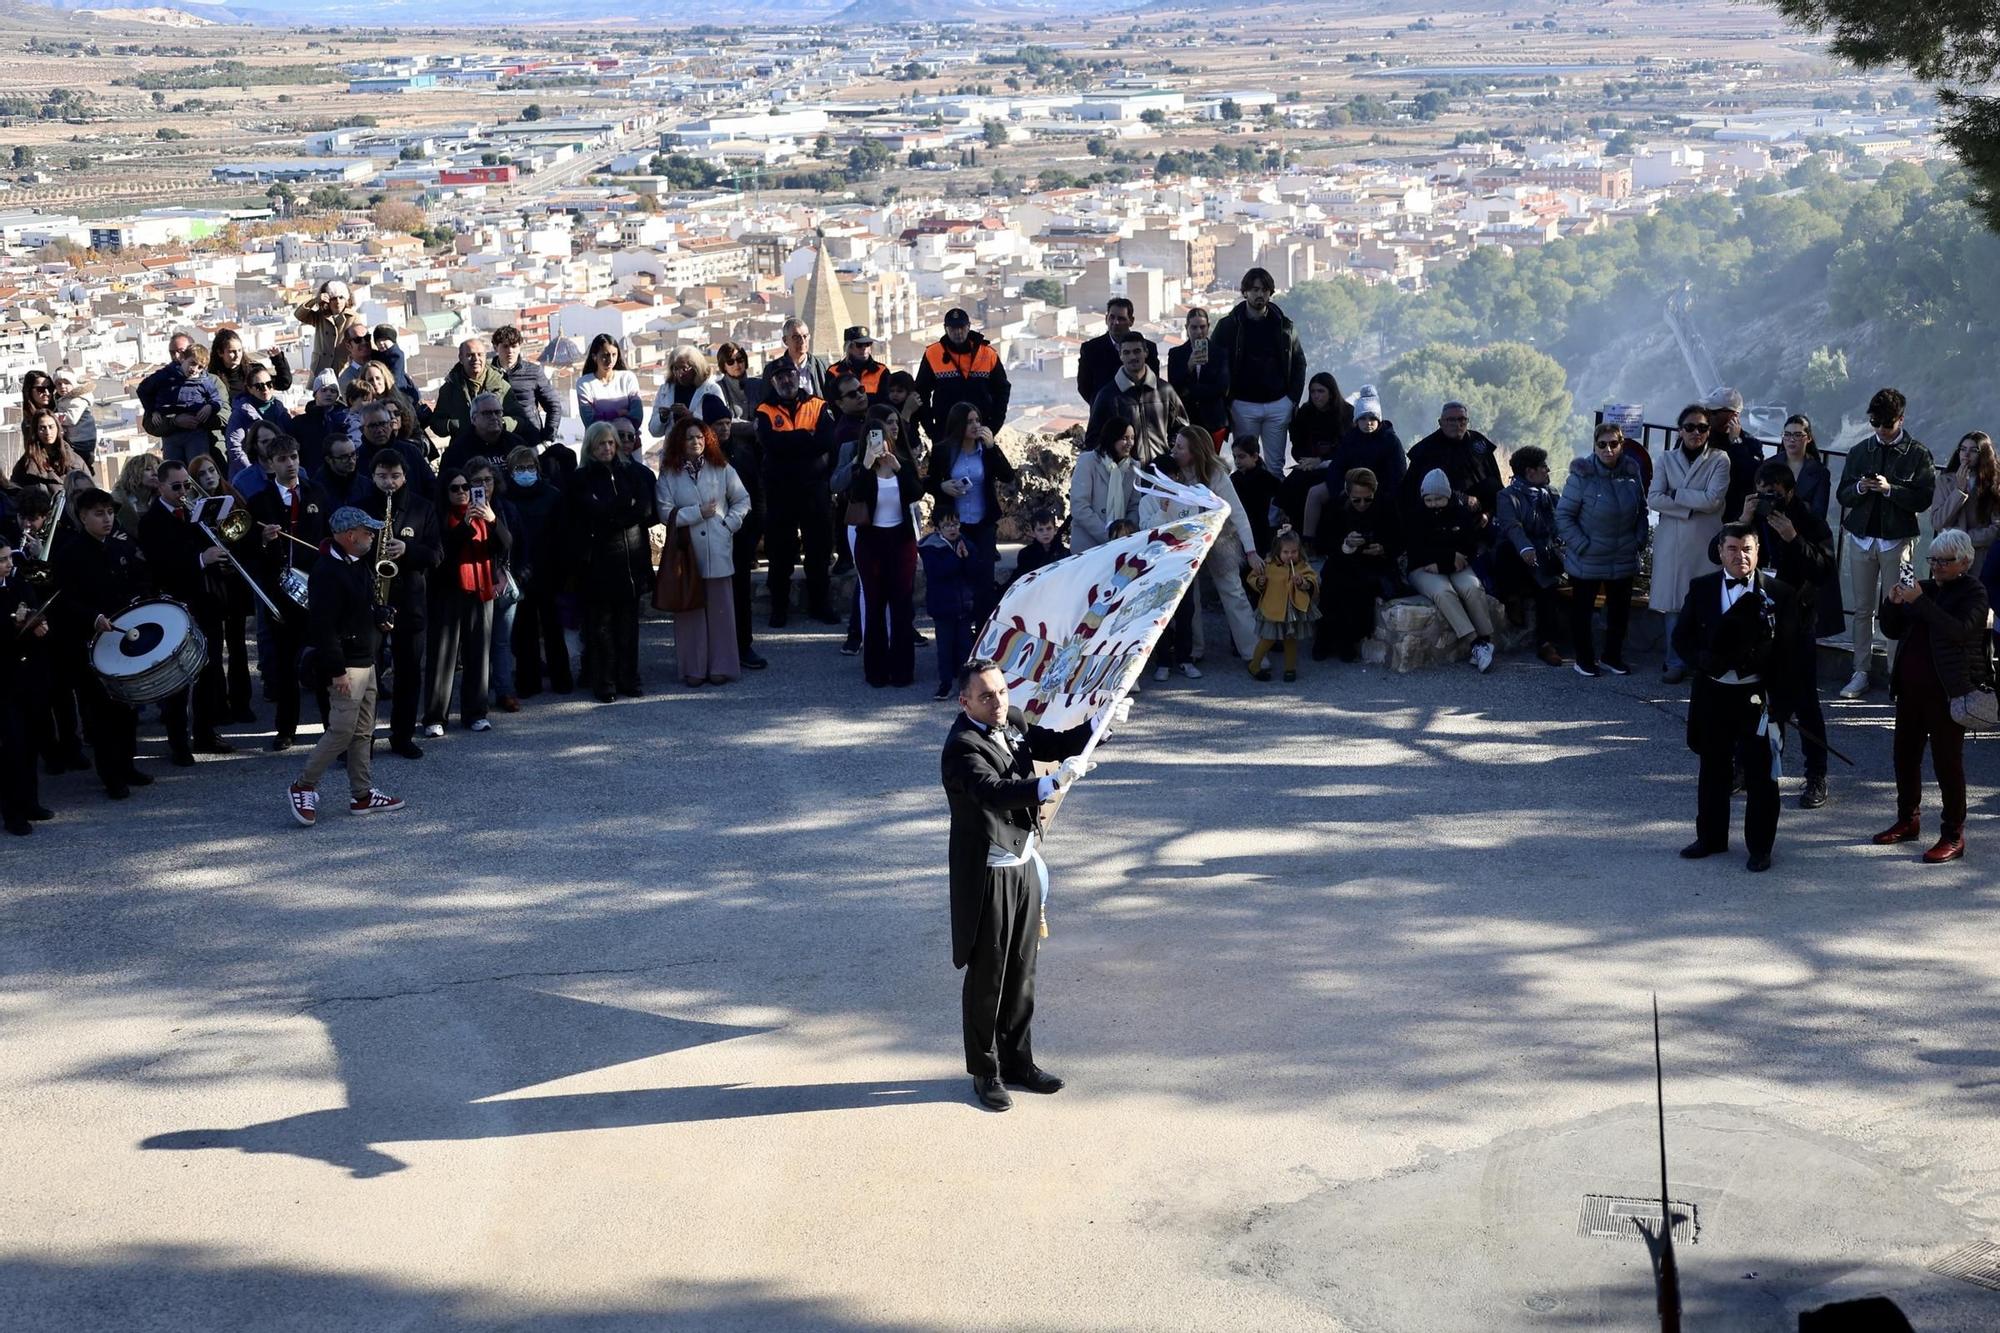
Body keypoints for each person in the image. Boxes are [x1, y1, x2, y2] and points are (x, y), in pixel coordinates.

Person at [940, 657, 1099, 1112]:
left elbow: (1056, 741)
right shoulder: (961, 747)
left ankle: (1018, 1061)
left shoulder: (1010, 719)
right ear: (965, 701)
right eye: (986, 696)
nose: (998, 702)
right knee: (989, 973)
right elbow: (992, 791)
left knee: (1023, 970)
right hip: (989, 873)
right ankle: (985, 1070)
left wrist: (1099, 726)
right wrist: (1046, 784)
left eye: (1002, 692)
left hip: (1024, 863)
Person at [1672, 523, 1797, 873]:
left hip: (1757, 696)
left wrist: (1783, 705)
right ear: (1720, 551)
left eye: (1746, 549)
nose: (1739, 556)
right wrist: (1701, 661)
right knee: (1713, 767)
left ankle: (1760, 847)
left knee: (1762, 774)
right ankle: (1711, 838)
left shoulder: (1780, 593)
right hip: (1713, 693)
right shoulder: (1701, 588)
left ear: (1757, 552)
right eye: (1732, 548)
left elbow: (1791, 655)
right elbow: (1681, 639)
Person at [1874, 528, 1991, 864]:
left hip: (1947, 694)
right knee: (1904, 757)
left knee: (1947, 764)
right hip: (1910, 691)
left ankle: (1953, 833)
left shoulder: (1973, 592)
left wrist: (1920, 602)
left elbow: (1960, 631)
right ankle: (1907, 819)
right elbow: (1892, 629)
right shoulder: (1922, 589)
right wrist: (1893, 604)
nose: (1937, 566)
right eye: (1933, 560)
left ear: (1964, 562)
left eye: (1945, 561)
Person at [288, 506, 404, 826]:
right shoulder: (327, 572)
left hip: (365, 661)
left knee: (363, 731)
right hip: (346, 668)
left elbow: (361, 607)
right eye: (368, 532)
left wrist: (380, 616)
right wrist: (337, 671)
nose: (372, 536)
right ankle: (303, 785)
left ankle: (362, 794)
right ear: (351, 536)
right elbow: (323, 628)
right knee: (341, 731)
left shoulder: (356, 563)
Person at [1736, 459, 1839, 809]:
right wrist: (1743, 521)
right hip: (1754, 621)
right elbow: (1716, 553)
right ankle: (1745, 767)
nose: (1769, 501)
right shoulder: (1751, 519)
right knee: (1752, 698)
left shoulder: (1809, 521)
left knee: (1805, 702)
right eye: (1763, 494)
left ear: (1791, 493)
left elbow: (1825, 570)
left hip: (1795, 621)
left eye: (1776, 495)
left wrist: (1793, 538)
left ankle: (1816, 774)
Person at [51, 488, 153, 799]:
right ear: (83, 517)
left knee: (127, 707)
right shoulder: (69, 553)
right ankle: (111, 775)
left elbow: (139, 579)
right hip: (89, 642)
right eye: (99, 513)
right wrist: (92, 617)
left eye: (109, 512)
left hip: (123, 636)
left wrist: (140, 601)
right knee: (101, 711)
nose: (107, 519)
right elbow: (63, 599)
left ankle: (127, 765)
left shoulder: (120, 546)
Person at [1836, 387, 1936, 699]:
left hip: (1898, 541)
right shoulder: (1859, 451)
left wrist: (1890, 489)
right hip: (1861, 538)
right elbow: (1842, 494)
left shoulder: (1918, 454)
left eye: (1886, 424)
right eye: (1875, 423)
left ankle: (1898, 673)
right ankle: (1860, 671)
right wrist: (1861, 488)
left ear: (1901, 420)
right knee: (1862, 608)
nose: (1880, 429)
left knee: (1898, 606)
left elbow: (1924, 498)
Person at [136, 459, 233, 764]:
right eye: (176, 487)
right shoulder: (150, 521)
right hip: (176, 604)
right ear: (160, 486)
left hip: (207, 600)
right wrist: (201, 559)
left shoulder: (195, 511)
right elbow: (162, 565)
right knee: (178, 678)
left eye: (186, 486)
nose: (183, 492)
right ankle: (178, 742)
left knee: (210, 668)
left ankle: (205, 732)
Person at [247, 434, 330, 750]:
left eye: (294, 457)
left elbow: (328, 536)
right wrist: (263, 541)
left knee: (323, 660)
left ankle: (330, 726)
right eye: (282, 459)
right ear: (270, 463)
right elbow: (247, 548)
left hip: (316, 589)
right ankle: (285, 729)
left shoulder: (315, 492)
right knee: (284, 664)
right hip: (279, 594)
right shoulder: (259, 501)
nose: (290, 464)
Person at [567, 422, 657, 702]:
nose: (607, 448)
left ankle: (628, 678)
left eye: (610, 443)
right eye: (601, 444)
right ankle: (604, 682)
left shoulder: (631, 472)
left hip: (631, 561)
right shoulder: (581, 478)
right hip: (599, 565)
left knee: (629, 626)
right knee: (601, 628)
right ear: (591, 447)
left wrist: (615, 514)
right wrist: (622, 507)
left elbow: (644, 509)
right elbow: (590, 511)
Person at [360, 450, 442, 758]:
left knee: (408, 673)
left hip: (410, 600)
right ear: (373, 477)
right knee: (366, 675)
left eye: (395, 476)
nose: (389, 483)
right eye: (382, 476)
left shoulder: (422, 508)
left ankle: (403, 735)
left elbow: (436, 555)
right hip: (370, 599)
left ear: (405, 477)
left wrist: (408, 549)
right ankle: (362, 739)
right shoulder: (362, 507)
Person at [657, 419, 750, 687]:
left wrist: (728, 524)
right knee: (690, 612)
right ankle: (693, 667)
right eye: (689, 438)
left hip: (717, 548)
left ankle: (722, 665)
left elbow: (742, 499)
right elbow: (665, 512)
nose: (695, 442)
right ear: (680, 442)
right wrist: (697, 513)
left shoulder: (722, 468)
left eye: (699, 437)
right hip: (687, 553)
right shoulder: (669, 474)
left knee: (721, 611)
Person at [423, 463, 509, 734]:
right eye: (455, 488)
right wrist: (465, 524)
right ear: (445, 492)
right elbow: (442, 551)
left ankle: (476, 713)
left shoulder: (487, 512)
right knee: (443, 656)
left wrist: (492, 520)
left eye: (466, 487)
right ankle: (435, 717)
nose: (462, 492)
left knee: (479, 654)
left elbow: (505, 543)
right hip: (447, 593)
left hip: (480, 592)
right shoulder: (438, 516)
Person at [1650, 404, 1733, 685]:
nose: (1696, 432)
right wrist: (1691, 503)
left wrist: (1676, 495)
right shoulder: (1665, 459)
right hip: (1672, 541)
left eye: (1702, 427)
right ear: (1680, 430)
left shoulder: (1720, 459)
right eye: (1690, 427)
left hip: (1704, 539)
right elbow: (1654, 498)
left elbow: (1713, 500)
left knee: (1705, 604)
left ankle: (1701, 661)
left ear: (1709, 431)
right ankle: (1674, 661)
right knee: (1674, 605)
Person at [1558, 421, 1649, 677]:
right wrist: (1582, 545)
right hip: (1588, 557)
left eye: (1613, 443)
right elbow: (1563, 516)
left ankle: (1612, 656)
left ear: (1621, 445)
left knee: (1619, 613)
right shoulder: (1581, 476)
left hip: (1623, 555)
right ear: (1595, 446)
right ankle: (1584, 659)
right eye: (1602, 444)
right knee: (1583, 612)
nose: (1608, 449)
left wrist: (1638, 540)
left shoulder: (1631, 473)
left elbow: (1642, 511)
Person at [841, 413, 922, 688]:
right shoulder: (861, 468)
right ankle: (875, 671)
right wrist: (866, 465)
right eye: (872, 438)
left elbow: (916, 492)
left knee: (901, 606)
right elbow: (855, 496)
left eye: (882, 437)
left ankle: (902, 671)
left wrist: (898, 467)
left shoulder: (902, 464)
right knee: (875, 607)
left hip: (900, 541)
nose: (878, 442)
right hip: (871, 542)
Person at [756, 358, 838, 627]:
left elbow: (826, 441)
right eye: (780, 377)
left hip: (814, 490)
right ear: (773, 382)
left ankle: (820, 605)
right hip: (780, 492)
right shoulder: (765, 410)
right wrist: (805, 437)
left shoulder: (818, 405)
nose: (786, 381)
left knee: (819, 550)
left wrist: (790, 444)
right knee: (780, 553)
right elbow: (770, 444)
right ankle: (779, 608)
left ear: (798, 376)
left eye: (789, 375)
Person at [1172, 424, 1263, 661]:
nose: (1174, 451)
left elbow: (1238, 514)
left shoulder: (1216, 475)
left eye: (1180, 447)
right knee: (1189, 596)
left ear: (1195, 451)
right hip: (1187, 541)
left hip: (1220, 538)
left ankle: (1253, 652)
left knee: (1234, 593)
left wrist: (1250, 551)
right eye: (1175, 445)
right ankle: (1193, 650)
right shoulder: (1173, 472)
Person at [927, 401, 1019, 628]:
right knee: (959, 578)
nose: (975, 425)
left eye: (977, 420)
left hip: (983, 523)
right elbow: (930, 481)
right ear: (958, 424)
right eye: (969, 421)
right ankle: (960, 632)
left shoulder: (985, 450)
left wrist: (992, 447)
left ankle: (982, 632)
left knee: (984, 579)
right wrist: (942, 486)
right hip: (956, 526)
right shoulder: (943, 450)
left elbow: (1007, 476)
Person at [1209, 267, 1308, 463]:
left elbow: (1299, 362)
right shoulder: (1228, 326)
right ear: (1245, 292)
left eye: (1264, 290)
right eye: (1255, 290)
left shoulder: (1284, 326)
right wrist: (1229, 400)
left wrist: (1291, 400)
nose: (1260, 294)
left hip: (1278, 404)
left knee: (1275, 465)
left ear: (1270, 293)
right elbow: (1214, 362)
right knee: (1246, 463)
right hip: (1243, 405)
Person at [187, 451, 256, 723]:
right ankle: (218, 704)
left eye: (212, 470)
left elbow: (246, 536)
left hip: (234, 580)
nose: (209, 477)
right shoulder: (192, 508)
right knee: (214, 647)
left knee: (237, 644)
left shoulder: (234, 499)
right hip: (210, 584)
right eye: (202, 474)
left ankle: (241, 702)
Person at [1405, 469, 1497, 673]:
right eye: (1429, 500)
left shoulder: (1461, 513)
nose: (1434, 504)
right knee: (1443, 592)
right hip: (1423, 568)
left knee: (1472, 587)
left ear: (1447, 496)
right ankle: (1475, 643)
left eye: (1439, 499)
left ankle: (1486, 639)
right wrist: (1447, 557)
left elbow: (1469, 546)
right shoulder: (1415, 515)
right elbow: (1417, 550)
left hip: (1457, 564)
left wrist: (1444, 562)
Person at [1308, 466, 1401, 662]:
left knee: (1360, 587)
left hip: (1374, 563)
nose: (1362, 504)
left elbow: (1399, 538)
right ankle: (1324, 638)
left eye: (1368, 499)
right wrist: (1345, 544)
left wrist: (1383, 548)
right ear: (1347, 492)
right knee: (1332, 582)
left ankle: (1347, 640)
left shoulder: (1386, 505)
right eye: (1356, 500)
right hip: (1342, 560)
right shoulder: (1336, 506)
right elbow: (1322, 541)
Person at [501, 444, 572, 697]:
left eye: (530, 467)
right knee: (524, 630)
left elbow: (562, 535)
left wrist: (562, 569)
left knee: (553, 628)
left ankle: (561, 679)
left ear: (538, 468)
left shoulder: (553, 496)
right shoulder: (505, 499)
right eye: (520, 468)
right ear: (511, 471)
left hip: (548, 569)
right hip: (519, 572)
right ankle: (528, 681)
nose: (525, 472)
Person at [1492, 447, 1566, 668]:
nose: (1548, 470)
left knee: (1548, 589)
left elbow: (1562, 522)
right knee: (1506, 552)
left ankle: (1546, 644)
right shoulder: (1507, 496)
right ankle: (1512, 597)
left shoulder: (1550, 494)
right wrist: (1525, 548)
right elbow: (1512, 526)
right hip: (1518, 555)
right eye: (1543, 466)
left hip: (1545, 552)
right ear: (1530, 471)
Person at [0, 537, 55, 834]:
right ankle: (13, 813)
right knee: (13, 746)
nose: (8, 564)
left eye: (9, 558)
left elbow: (37, 601)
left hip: (29, 675)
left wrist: (38, 621)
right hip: (4, 680)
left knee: (32, 740)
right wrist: (16, 625)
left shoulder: (17, 582)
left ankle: (31, 802)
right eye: (2, 560)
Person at [1085, 330, 1188, 464]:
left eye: (1137, 351)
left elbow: (1183, 429)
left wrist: (1169, 456)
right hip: (1126, 472)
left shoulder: (1165, 391)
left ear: (1146, 352)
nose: (1132, 357)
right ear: (1120, 356)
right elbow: (1093, 439)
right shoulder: (1108, 395)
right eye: (1127, 352)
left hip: (1161, 471)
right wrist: (1115, 461)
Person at [917, 307, 1011, 444]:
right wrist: (932, 430)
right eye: (953, 328)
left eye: (961, 327)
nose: (958, 332)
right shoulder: (933, 354)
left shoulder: (987, 353)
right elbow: (921, 392)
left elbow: (1002, 390)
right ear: (945, 329)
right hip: (946, 432)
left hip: (979, 432)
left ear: (968, 327)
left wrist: (993, 427)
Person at [1402, 400, 1502, 521]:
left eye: (1462, 419)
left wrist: (1488, 514)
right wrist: (1462, 498)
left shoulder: (1477, 442)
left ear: (1467, 421)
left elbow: (1495, 484)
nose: (1457, 424)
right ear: (1440, 422)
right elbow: (1420, 489)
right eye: (1451, 420)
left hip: (1481, 512)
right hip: (1439, 512)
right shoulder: (1426, 449)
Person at [920, 504, 979, 701]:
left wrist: (967, 558)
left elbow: (974, 571)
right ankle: (945, 684)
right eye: (947, 525)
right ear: (938, 528)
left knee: (965, 647)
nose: (952, 528)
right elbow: (937, 572)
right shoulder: (931, 548)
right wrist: (957, 558)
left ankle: (966, 684)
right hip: (943, 608)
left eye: (955, 524)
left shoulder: (966, 544)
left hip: (963, 607)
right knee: (945, 649)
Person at [1246, 528, 1320, 683]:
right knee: (1267, 639)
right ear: (1278, 551)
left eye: (1294, 552)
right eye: (1286, 552)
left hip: (1293, 611)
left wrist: (1303, 582)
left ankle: (1290, 669)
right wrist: (1259, 582)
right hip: (1273, 609)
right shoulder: (1269, 566)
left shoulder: (1302, 566)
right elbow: (1252, 577)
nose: (1290, 555)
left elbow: (1313, 580)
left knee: (1291, 639)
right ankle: (1254, 665)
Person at [1281, 372, 1353, 529]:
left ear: (1331, 393)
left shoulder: (1346, 412)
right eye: (1313, 391)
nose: (1316, 396)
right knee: (1291, 486)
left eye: (1321, 391)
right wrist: (1305, 460)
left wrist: (1321, 460)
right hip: (1309, 464)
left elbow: (1347, 446)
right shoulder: (1305, 412)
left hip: (1337, 466)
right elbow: (1297, 443)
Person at [1929, 431, 2000, 576]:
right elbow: (1937, 522)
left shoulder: (1994, 483)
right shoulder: (1945, 481)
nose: (1966, 455)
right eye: (1963, 449)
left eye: (1973, 450)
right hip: (1949, 557)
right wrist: (1959, 492)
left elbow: (1996, 529)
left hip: (1981, 557)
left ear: (1984, 454)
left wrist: (1964, 539)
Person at [1069, 409, 1138, 552]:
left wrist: (1125, 532)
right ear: (1112, 438)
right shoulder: (1088, 462)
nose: (1130, 443)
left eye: (1132, 438)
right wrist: (1109, 534)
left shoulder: (1133, 467)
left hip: (1122, 545)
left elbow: (1134, 505)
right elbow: (1080, 506)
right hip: (1088, 544)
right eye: (1124, 438)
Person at [1326, 388, 1407, 508]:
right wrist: (1342, 493)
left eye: (1372, 418)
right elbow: (1336, 468)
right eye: (1363, 418)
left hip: (1381, 497)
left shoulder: (1391, 441)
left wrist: (1381, 497)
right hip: (1351, 494)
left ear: (1379, 420)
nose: (1368, 422)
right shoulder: (1350, 439)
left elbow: (1398, 476)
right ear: (1356, 420)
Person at [1076, 297, 1158, 406]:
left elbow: (1153, 384)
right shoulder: (1091, 349)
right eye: (1112, 317)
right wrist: (1100, 406)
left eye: (1121, 318)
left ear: (1131, 321)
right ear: (1106, 319)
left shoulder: (1148, 348)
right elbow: (1084, 387)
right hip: (1104, 412)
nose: (1115, 322)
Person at [490, 325, 563, 445]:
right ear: (495, 347)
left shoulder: (533, 372)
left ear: (520, 347)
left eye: (514, 346)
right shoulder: (487, 374)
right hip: (498, 442)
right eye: (505, 346)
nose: (510, 351)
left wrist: (548, 438)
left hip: (530, 439)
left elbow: (553, 405)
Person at [1705, 387, 1769, 523]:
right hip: (1703, 509)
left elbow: (1751, 476)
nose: (1708, 415)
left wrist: (1736, 443)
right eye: (1707, 410)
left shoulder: (1751, 443)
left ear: (1734, 415)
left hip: (1733, 511)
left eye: (1714, 412)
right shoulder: (1700, 436)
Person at [1164, 306, 1228, 437]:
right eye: (1194, 327)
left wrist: (1189, 390)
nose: (1199, 332)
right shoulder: (1176, 354)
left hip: (1213, 420)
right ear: (1186, 328)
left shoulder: (1219, 353)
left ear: (1208, 327)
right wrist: (1188, 367)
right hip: (1186, 419)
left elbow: (1222, 388)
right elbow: (1173, 387)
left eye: (1202, 327)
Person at [441, 393, 531, 480]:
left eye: (498, 412)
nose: (494, 417)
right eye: (487, 413)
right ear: (473, 419)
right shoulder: (457, 452)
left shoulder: (516, 444)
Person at [649, 346, 732, 440]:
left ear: (696, 368)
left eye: (684, 369)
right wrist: (662, 417)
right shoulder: (665, 390)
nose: (679, 374)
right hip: (673, 447)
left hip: (701, 446)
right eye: (675, 369)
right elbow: (654, 431)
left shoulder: (711, 390)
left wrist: (691, 416)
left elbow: (721, 427)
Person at [223, 362, 292, 476]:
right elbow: (235, 449)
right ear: (250, 389)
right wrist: (255, 472)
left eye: (269, 384)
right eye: (259, 386)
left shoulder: (280, 409)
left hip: (281, 470)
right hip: (251, 475)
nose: (265, 389)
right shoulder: (240, 413)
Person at [575, 334, 643, 429]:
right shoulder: (584, 384)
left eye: (614, 355)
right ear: (594, 357)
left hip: (627, 437)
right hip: (599, 438)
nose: (610, 360)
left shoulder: (628, 378)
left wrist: (604, 417)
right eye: (605, 355)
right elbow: (590, 421)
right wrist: (618, 413)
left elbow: (637, 417)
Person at [295, 279, 356, 376]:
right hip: (320, 369)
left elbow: (363, 337)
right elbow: (299, 315)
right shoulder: (320, 316)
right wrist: (314, 301)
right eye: (333, 298)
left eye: (341, 297)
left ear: (346, 299)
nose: (338, 302)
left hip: (341, 370)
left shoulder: (352, 317)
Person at [766, 316, 830, 401]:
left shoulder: (821, 366)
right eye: (796, 337)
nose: (802, 341)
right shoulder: (772, 370)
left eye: (805, 336)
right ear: (785, 341)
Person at [1008, 507, 1068, 588]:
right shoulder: (1026, 555)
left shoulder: (1064, 554)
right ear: (1033, 533)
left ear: (1055, 530)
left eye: (1049, 528)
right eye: (1040, 530)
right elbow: (1020, 581)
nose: (1045, 533)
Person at [53, 368, 98, 469]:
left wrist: (53, 417)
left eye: (66, 383)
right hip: (75, 438)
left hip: (82, 440)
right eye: (59, 384)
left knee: (80, 463)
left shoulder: (78, 399)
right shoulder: (65, 398)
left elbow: (72, 418)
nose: (62, 386)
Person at [835, 325, 890, 403]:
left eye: (868, 344)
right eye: (859, 345)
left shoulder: (882, 371)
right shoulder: (834, 371)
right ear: (849, 347)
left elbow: (887, 401)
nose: (864, 348)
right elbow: (832, 402)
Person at [111, 453, 160, 538]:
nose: (155, 473)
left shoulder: (161, 499)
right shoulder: (117, 501)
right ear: (134, 472)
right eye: (148, 469)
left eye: (157, 469)